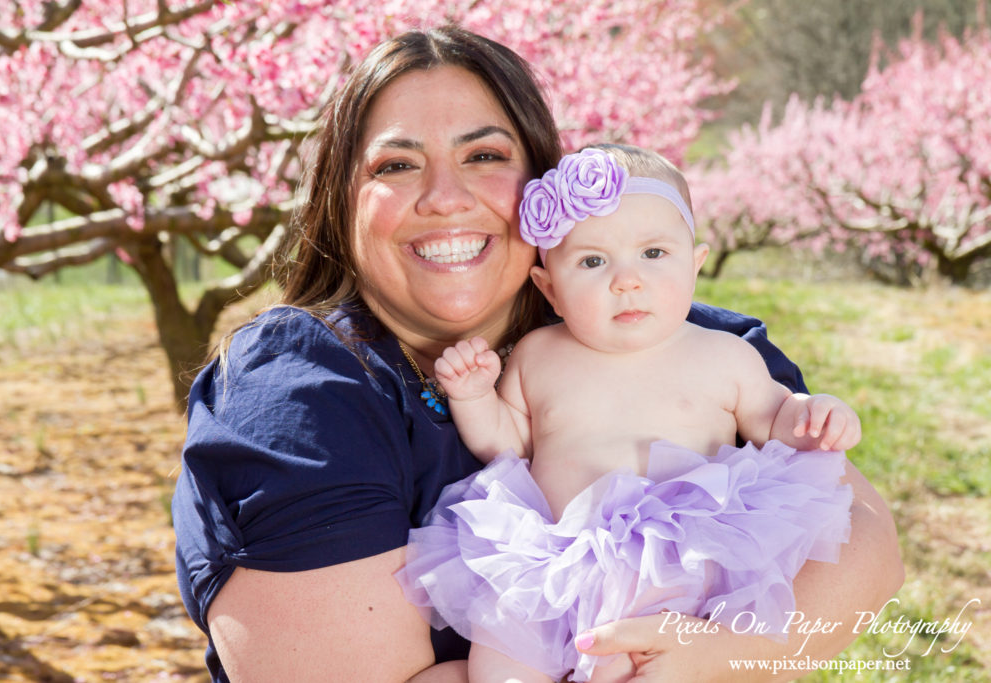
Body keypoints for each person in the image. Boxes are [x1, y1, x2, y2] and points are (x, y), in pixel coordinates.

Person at [171, 25, 903, 683]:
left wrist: (726, 657)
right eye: (395, 166)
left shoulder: (667, 332)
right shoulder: (302, 388)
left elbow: (866, 543)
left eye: (484, 154)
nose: (444, 196)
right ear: (340, 200)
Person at [396, 145, 861, 683]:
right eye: (592, 262)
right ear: (549, 287)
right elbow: (506, 445)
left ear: (696, 262)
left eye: (654, 254)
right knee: (496, 665)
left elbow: (774, 417)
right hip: (555, 565)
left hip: (681, 565)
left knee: (642, 667)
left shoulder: (723, 355)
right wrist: (475, 396)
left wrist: (814, 413)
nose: (626, 280)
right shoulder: (538, 355)